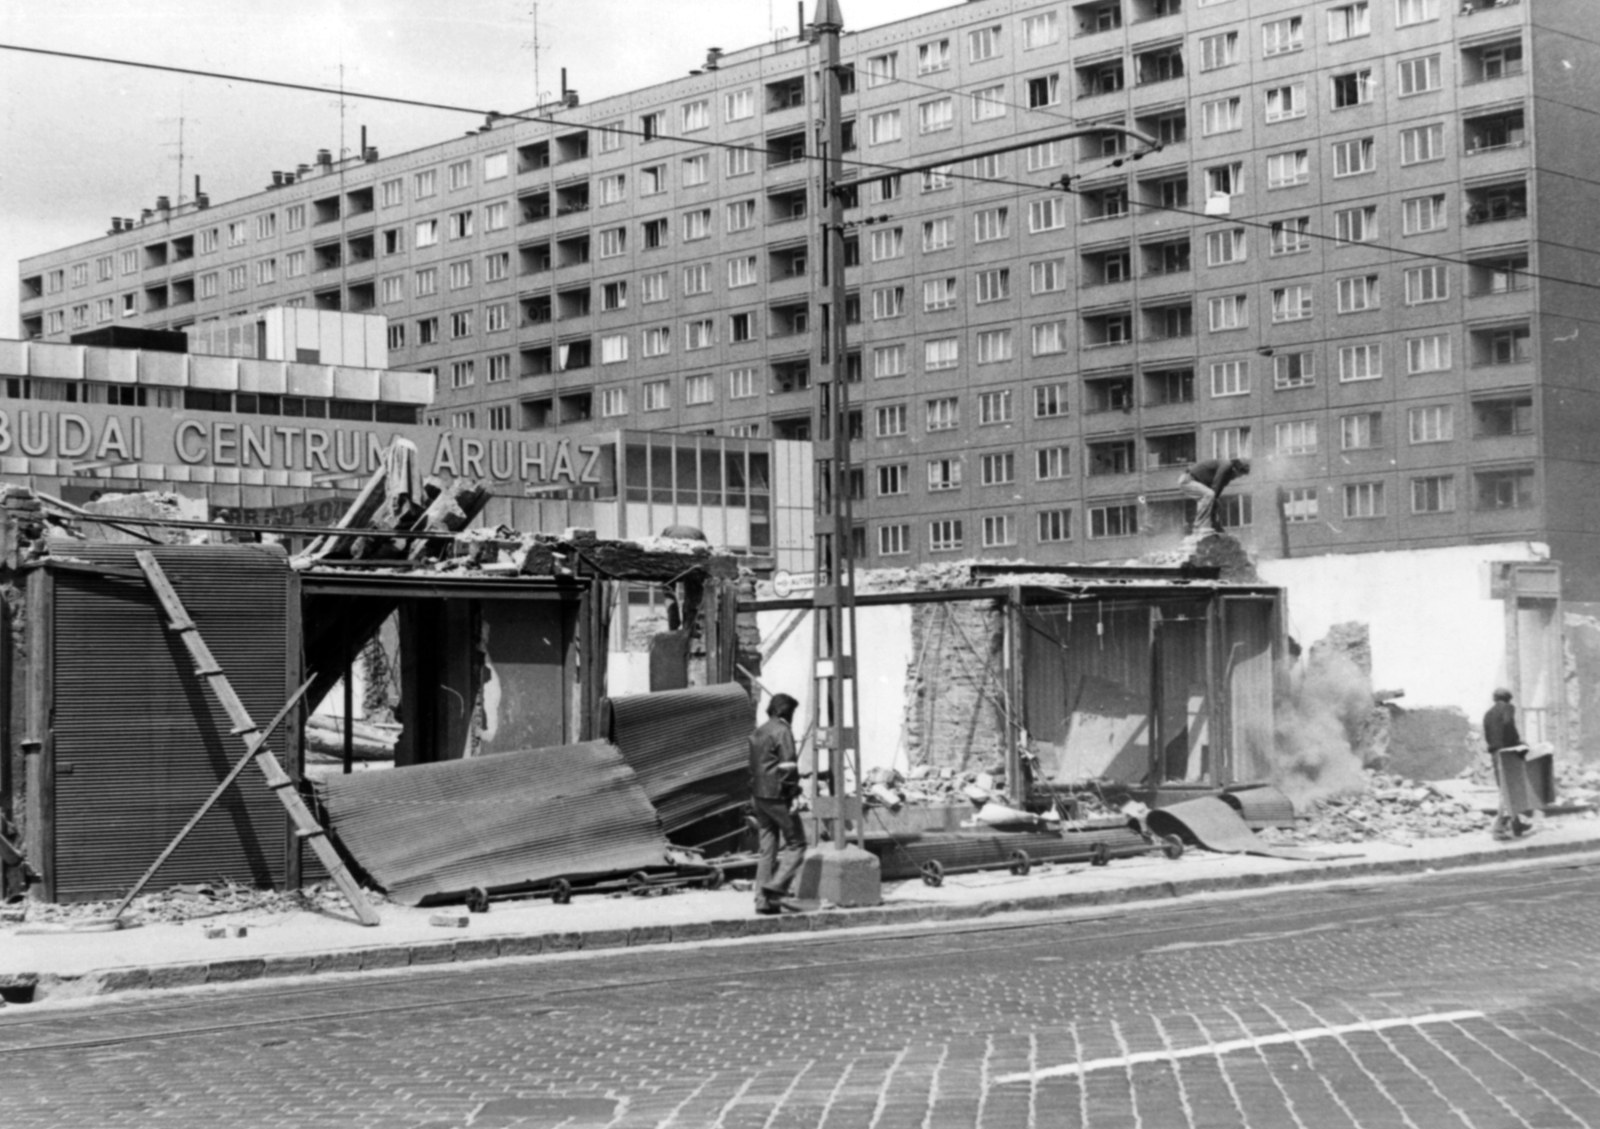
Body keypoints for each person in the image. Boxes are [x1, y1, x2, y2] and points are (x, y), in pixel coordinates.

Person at [749, 692, 806, 915]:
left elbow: (753, 767)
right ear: (786, 711)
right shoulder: (782, 730)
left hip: (759, 796)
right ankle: (776, 887)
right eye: (793, 712)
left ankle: (762, 901)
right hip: (777, 796)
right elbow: (788, 767)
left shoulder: (759, 731)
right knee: (797, 843)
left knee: (767, 849)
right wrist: (793, 793)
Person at [1484, 688, 1539, 840]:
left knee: (1506, 788)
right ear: (1508, 699)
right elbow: (1508, 725)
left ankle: (1516, 825)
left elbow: (1489, 736)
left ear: (1495, 699)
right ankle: (1499, 829)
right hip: (1507, 753)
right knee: (1508, 790)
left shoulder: (1488, 714)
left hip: (1495, 753)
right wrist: (1517, 742)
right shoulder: (1508, 708)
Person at [1178, 457, 1251, 535]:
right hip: (1187, 480)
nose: (1237, 477)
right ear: (1235, 469)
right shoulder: (1225, 466)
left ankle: (1215, 527)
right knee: (1209, 494)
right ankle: (1198, 527)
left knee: (1217, 504)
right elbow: (1215, 486)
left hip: (1194, 481)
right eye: (1239, 475)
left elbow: (1216, 495)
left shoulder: (1227, 476)